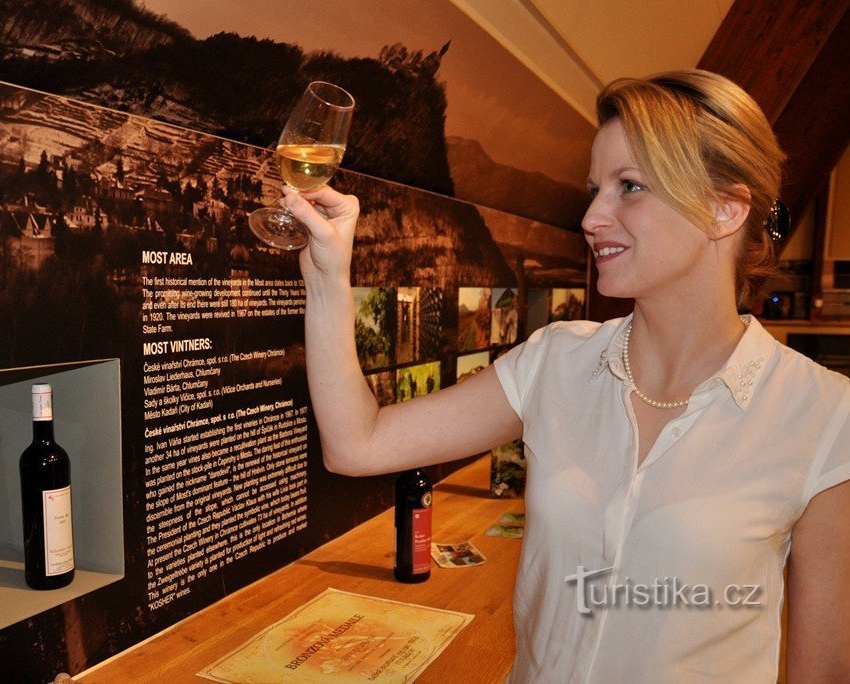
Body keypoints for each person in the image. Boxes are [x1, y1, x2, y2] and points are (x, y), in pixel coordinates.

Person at [282, 69, 849, 682]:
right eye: (594, 188)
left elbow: (821, 671)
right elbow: (355, 444)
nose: (592, 216)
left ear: (724, 209)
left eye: (628, 186)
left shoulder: (823, 415)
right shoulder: (556, 362)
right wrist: (326, 274)